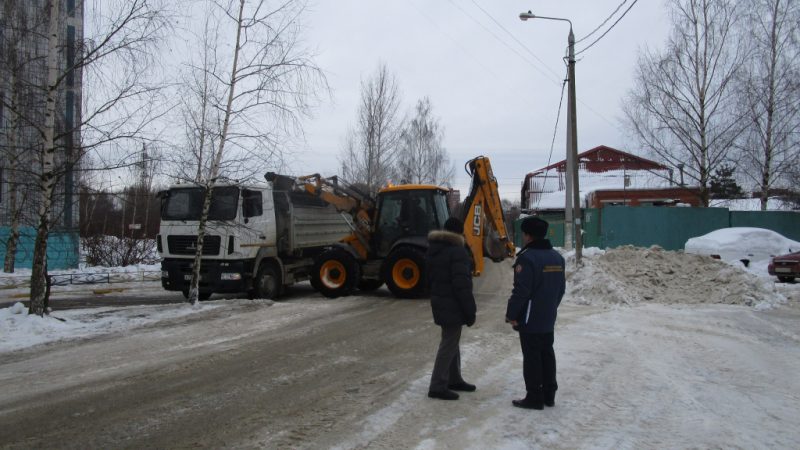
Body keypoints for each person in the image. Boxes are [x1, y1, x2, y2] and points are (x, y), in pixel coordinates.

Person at [506, 216, 566, 410]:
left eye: (524, 234)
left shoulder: (527, 258)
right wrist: (551, 307)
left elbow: (522, 290)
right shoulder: (557, 257)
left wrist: (512, 314)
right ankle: (549, 394)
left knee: (532, 356)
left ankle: (534, 396)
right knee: (547, 353)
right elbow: (561, 289)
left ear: (528, 236)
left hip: (530, 318)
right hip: (548, 316)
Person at [426, 217, 477, 400]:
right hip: (453, 304)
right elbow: (461, 285)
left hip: (440, 302)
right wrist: (470, 309)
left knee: (451, 341)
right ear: (460, 232)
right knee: (448, 344)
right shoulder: (457, 252)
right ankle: (437, 386)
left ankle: (454, 379)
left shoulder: (435, 248)